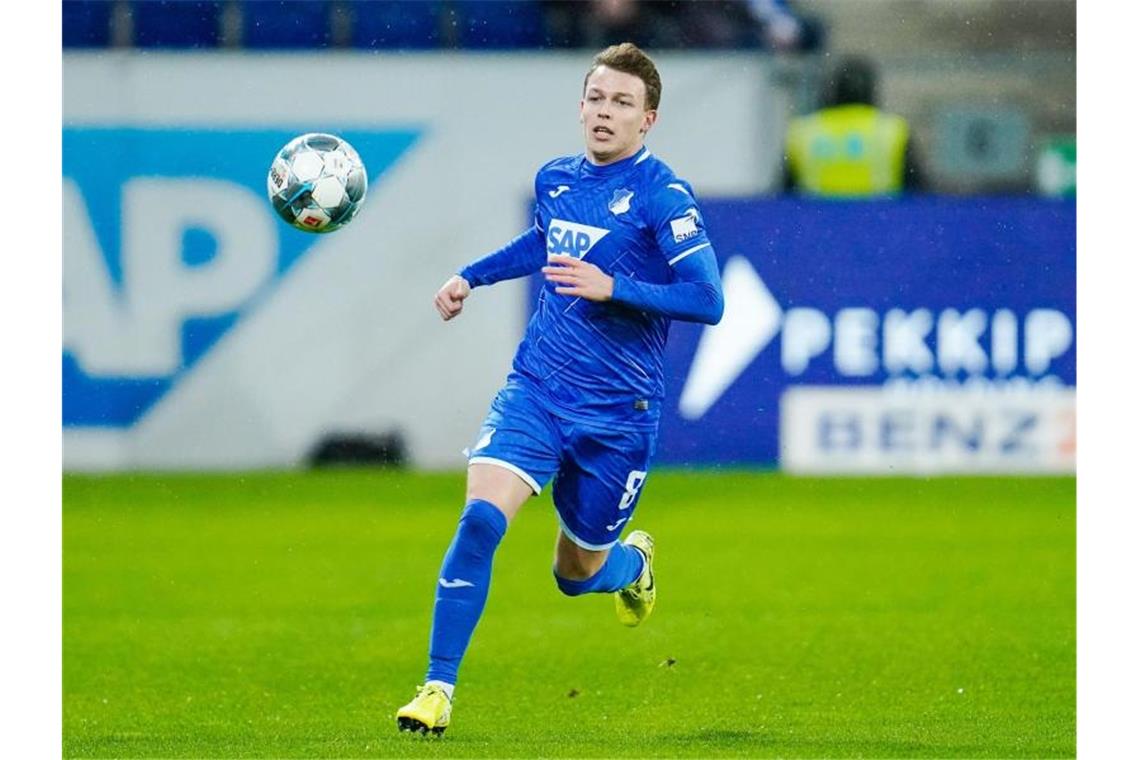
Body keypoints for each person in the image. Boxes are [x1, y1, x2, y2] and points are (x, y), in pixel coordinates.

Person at [395, 42, 725, 736]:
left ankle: (632, 564)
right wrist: (471, 277)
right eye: (597, 99)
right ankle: (436, 689)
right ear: (581, 106)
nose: (606, 113)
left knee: (574, 574)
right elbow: (542, 244)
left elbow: (708, 298)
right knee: (482, 520)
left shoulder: (664, 195)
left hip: (619, 416)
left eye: (622, 103)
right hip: (538, 390)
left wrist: (617, 288)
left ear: (649, 119)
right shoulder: (556, 178)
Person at [784, 55, 923, 196]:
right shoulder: (893, 130)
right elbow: (918, 193)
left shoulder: (804, 131)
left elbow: (783, 196)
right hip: (878, 214)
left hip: (817, 215)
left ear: (832, 91)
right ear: (871, 91)